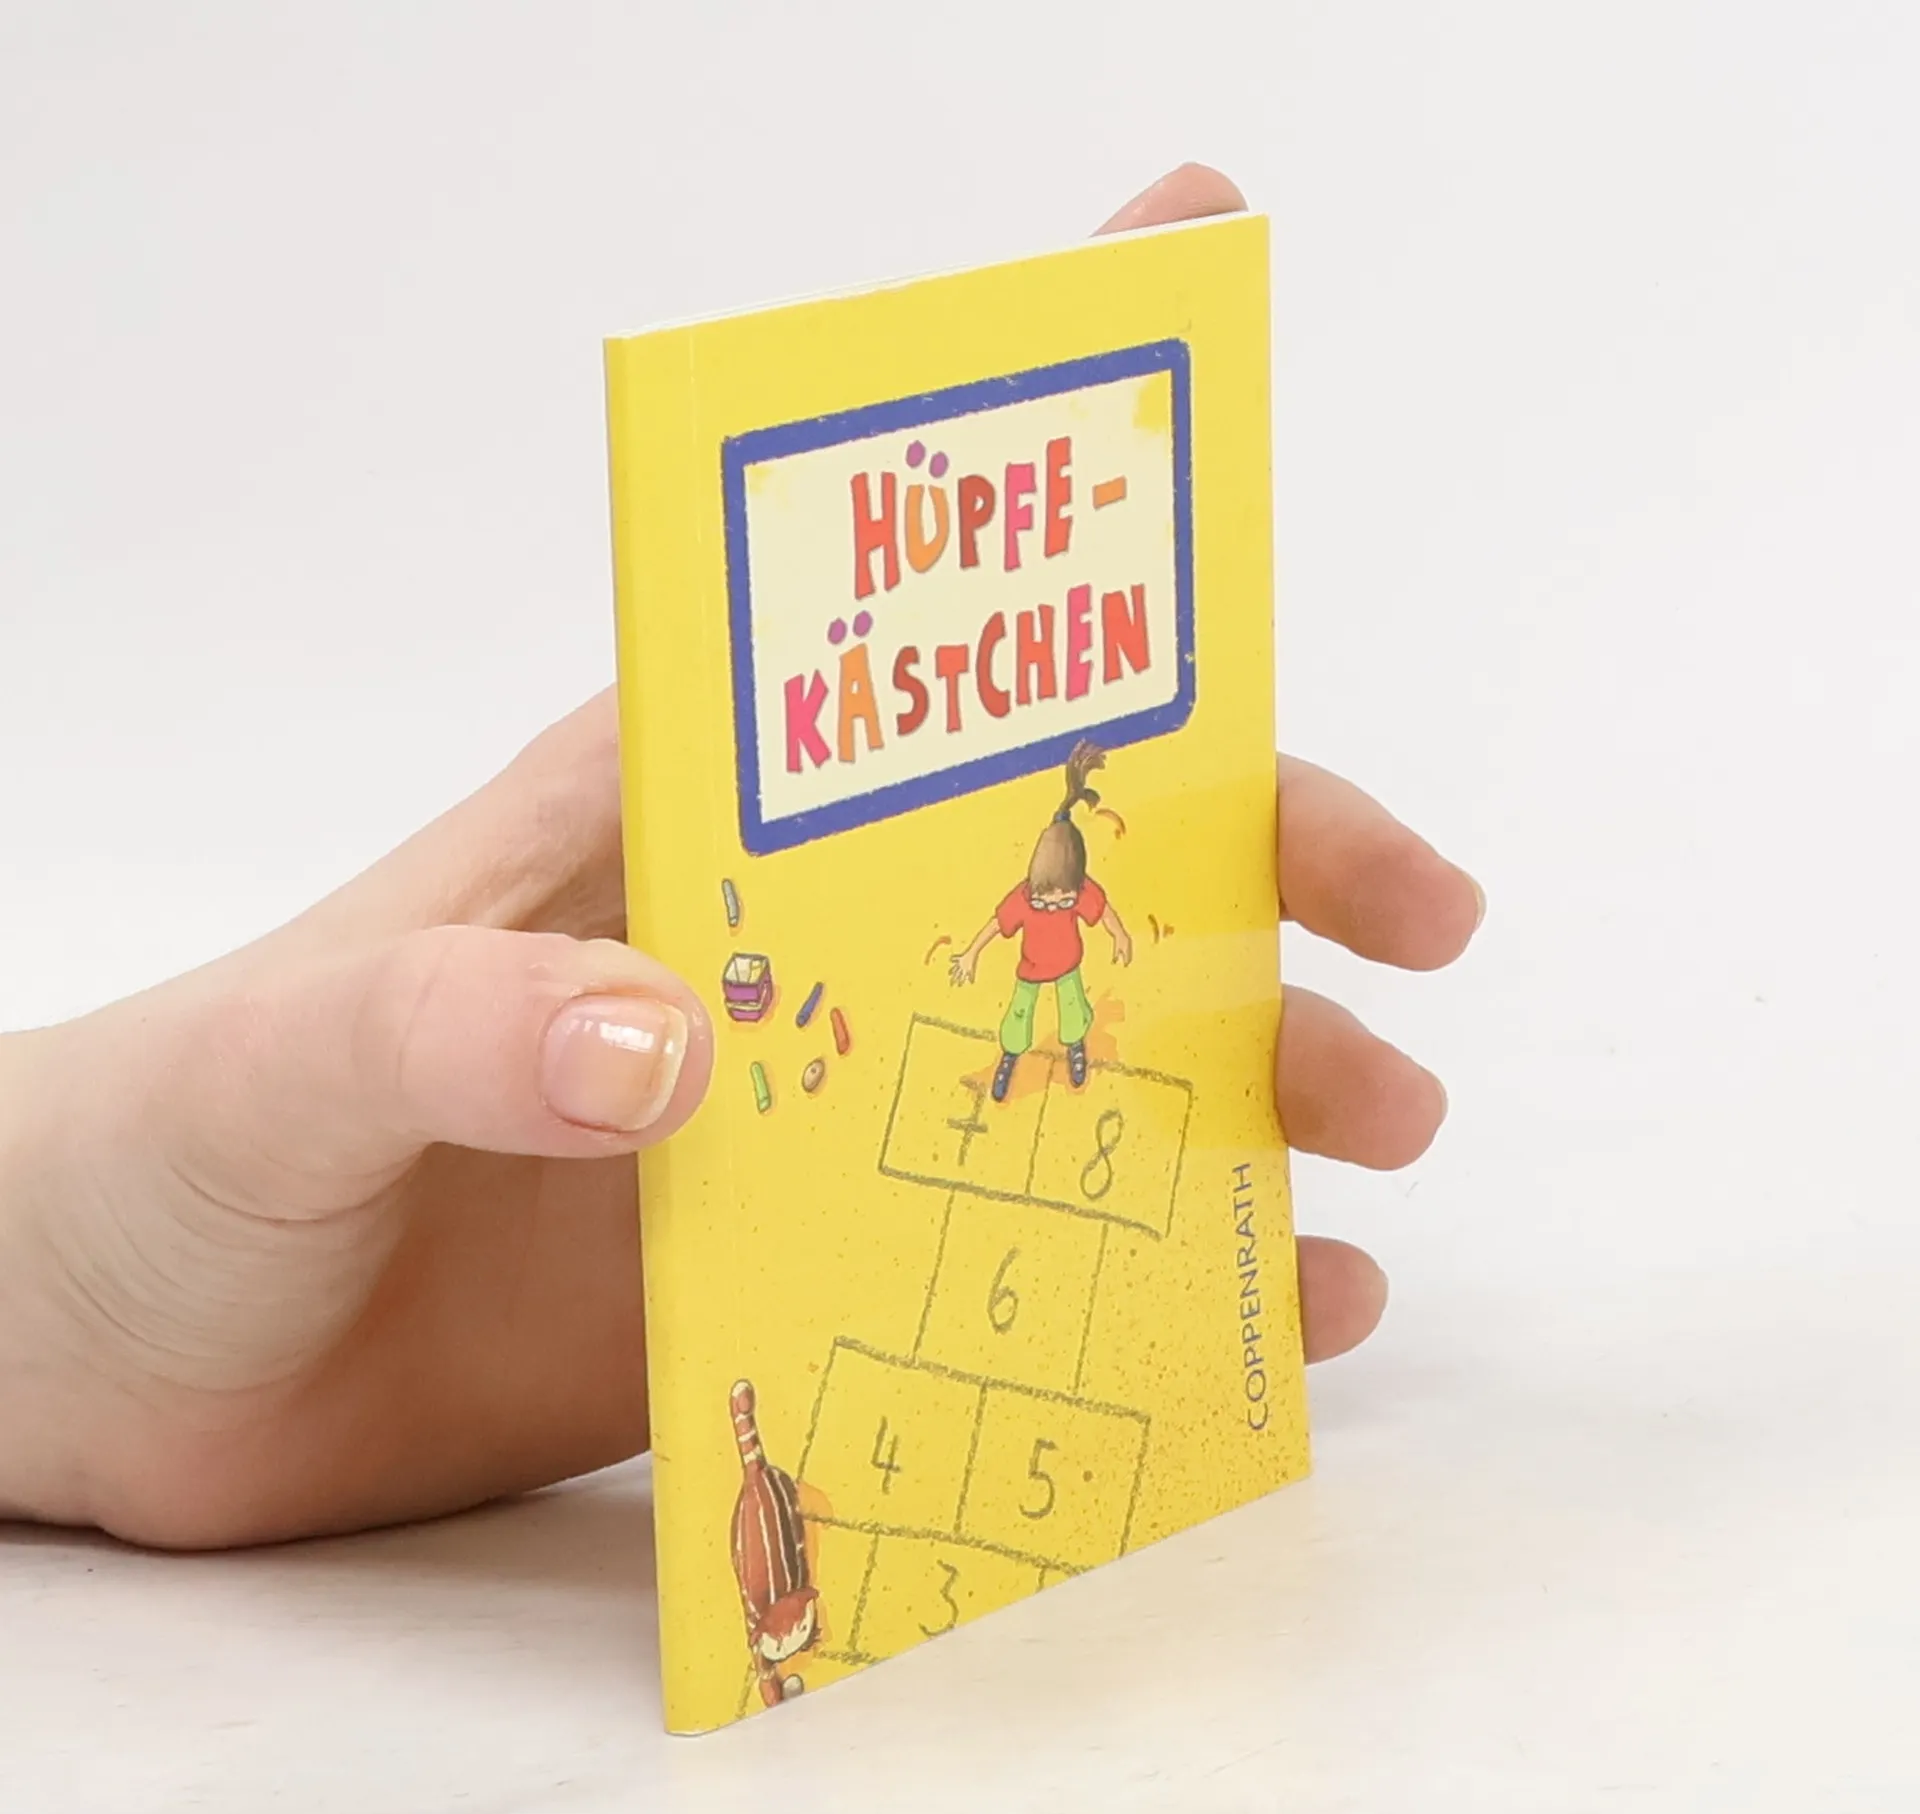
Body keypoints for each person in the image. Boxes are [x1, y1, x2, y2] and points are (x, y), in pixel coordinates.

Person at [0, 164, 1481, 1553]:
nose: (1044, 887)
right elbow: (1015, 930)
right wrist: (61, 1294)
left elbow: (1074, 918)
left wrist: (59, 1307)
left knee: (1069, 1017)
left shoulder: (1068, 884)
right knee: (1041, 1013)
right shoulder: (1024, 895)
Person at [950, 741, 1133, 1100]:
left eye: (1064, 901)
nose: (1053, 905)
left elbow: (1104, 911)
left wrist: (1120, 935)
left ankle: (1076, 1047)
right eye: (1044, 900)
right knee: (1018, 1016)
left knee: (1073, 1010)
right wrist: (971, 954)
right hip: (1031, 968)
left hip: (1067, 964)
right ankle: (1010, 1057)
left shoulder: (1080, 890)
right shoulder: (1025, 897)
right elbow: (996, 924)